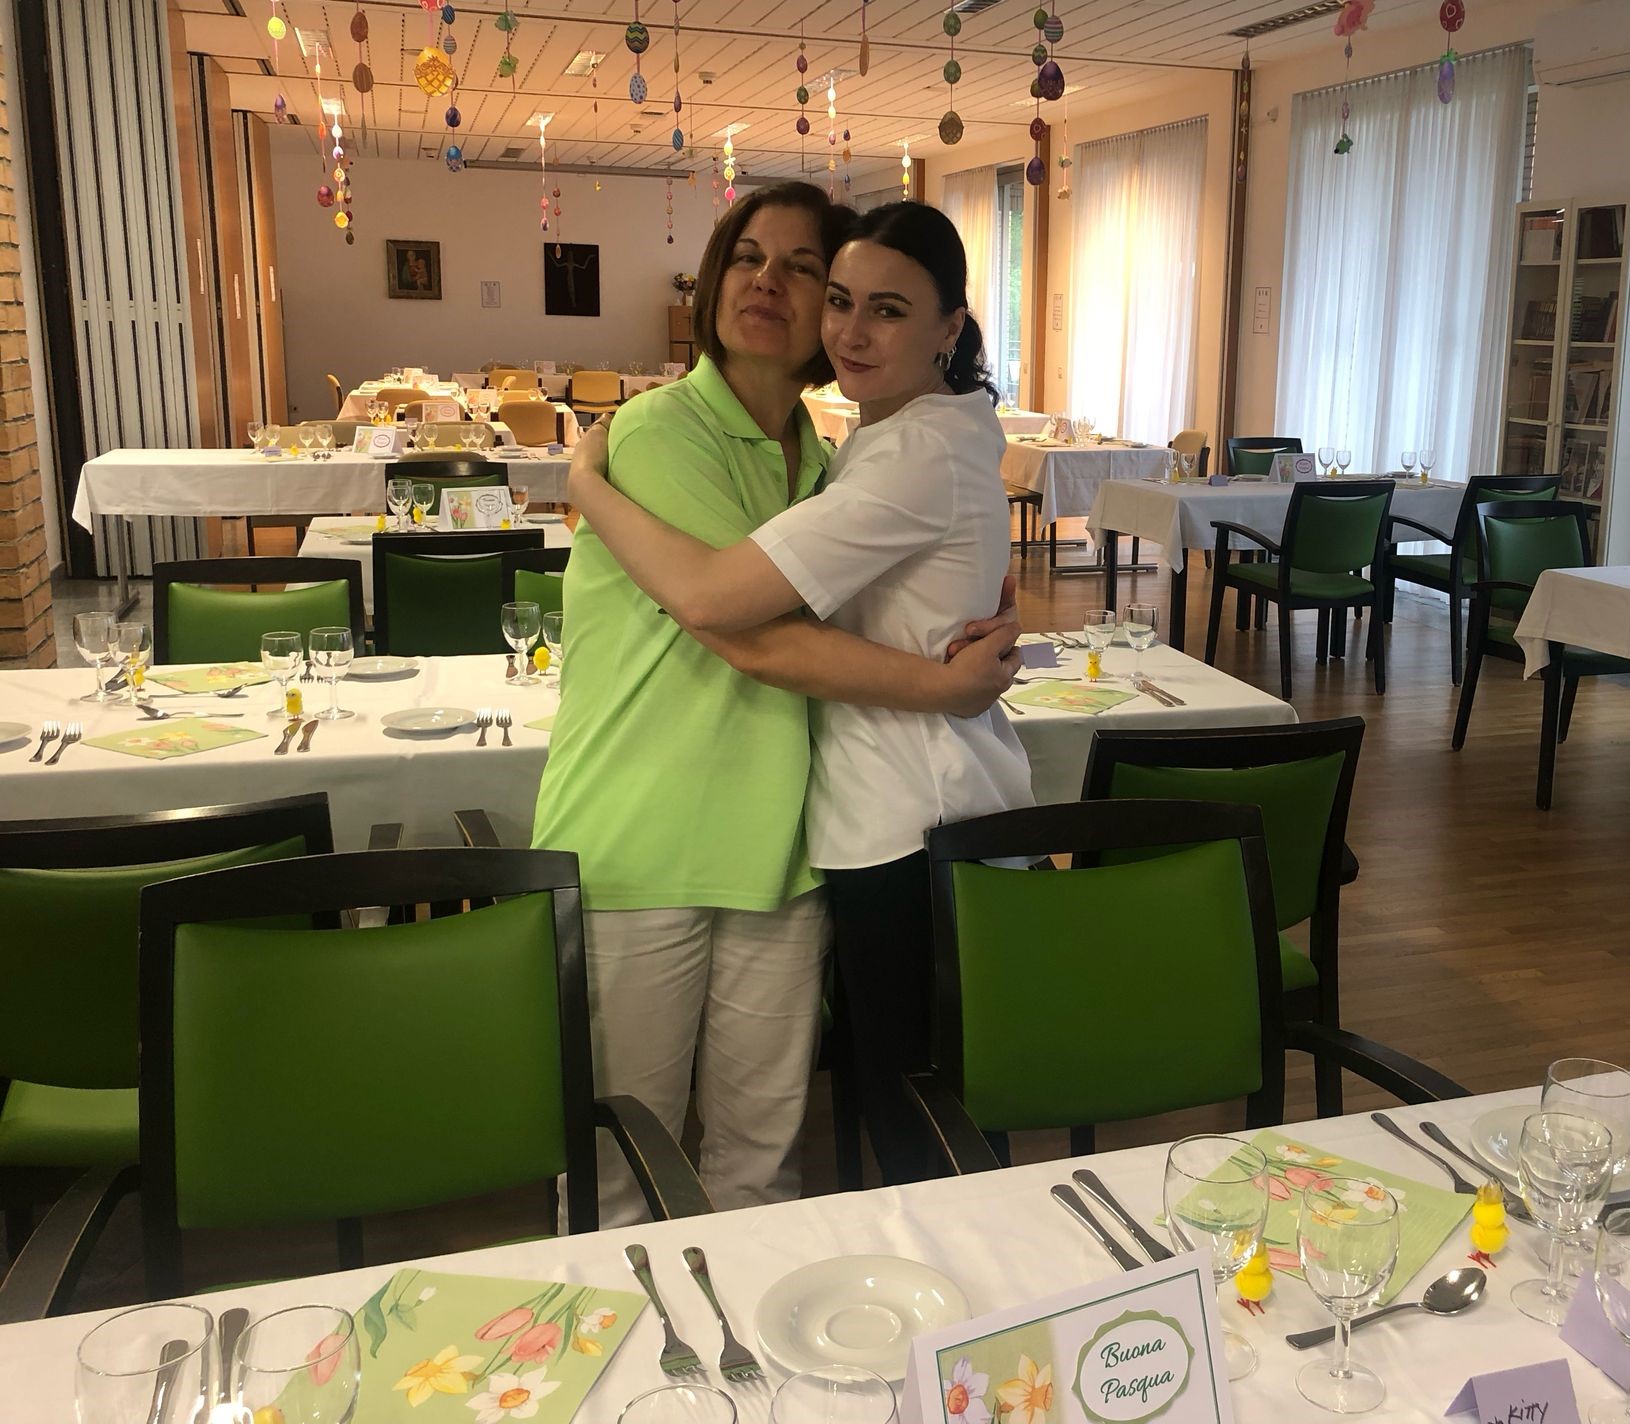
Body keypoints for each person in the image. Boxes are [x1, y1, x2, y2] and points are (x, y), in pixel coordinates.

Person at [533, 183, 1019, 1224]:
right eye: (750, 257)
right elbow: (737, 625)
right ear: (714, 280)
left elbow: (800, 611)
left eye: (804, 269)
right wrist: (590, 482)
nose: (769, 282)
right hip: (643, 836)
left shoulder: (829, 460)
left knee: (761, 1172)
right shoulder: (659, 432)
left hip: (783, 849)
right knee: (624, 1173)